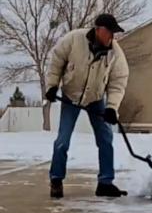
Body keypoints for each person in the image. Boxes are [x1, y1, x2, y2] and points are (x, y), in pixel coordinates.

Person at [45, 13, 129, 199]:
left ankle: (105, 183)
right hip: (71, 97)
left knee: (105, 139)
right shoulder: (74, 40)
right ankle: (56, 179)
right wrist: (52, 86)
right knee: (62, 140)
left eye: (114, 33)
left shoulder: (115, 53)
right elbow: (57, 61)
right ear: (98, 30)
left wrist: (111, 108)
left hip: (96, 99)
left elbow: (118, 82)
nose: (112, 37)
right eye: (109, 32)